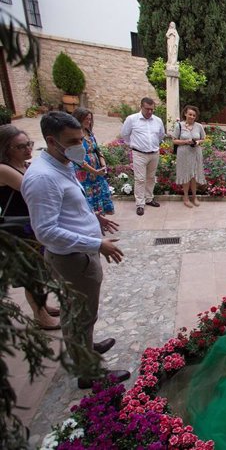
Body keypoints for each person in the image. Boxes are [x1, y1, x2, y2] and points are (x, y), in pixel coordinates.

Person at [21, 111, 129, 389]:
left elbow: (70, 206)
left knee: (80, 312)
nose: (79, 145)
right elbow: (45, 231)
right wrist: (97, 244)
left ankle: (85, 347)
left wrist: (95, 217)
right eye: (72, 140)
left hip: (79, 254)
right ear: (51, 140)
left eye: (80, 138)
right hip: (72, 258)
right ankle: (88, 372)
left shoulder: (61, 164)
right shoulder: (42, 178)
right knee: (79, 314)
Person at [0, 124, 60, 330]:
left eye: (29, 144)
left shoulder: (25, 165)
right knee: (30, 274)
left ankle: (42, 306)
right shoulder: (4, 169)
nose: (28, 149)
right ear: (7, 149)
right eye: (21, 146)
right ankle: (39, 315)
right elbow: (32, 189)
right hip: (18, 230)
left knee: (39, 270)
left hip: (31, 225)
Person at [121, 97, 166, 216]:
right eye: (147, 109)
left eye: (152, 109)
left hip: (154, 153)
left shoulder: (158, 121)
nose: (150, 112)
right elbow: (125, 134)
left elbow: (161, 135)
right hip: (139, 154)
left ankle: (149, 199)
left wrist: (155, 145)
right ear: (141, 107)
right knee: (140, 179)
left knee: (151, 178)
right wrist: (134, 145)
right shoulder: (132, 119)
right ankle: (140, 204)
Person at [72, 108, 114, 216]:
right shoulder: (75, 136)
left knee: (98, 194)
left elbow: (98, 150)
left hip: (96, 174)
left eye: (90, 119)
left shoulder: (89, 133)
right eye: (86, 119)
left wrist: (103, 165)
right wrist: (94, 171)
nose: (88, 122)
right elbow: (78, 160)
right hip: (84, 175)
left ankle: (100, 219)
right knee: (87, 197)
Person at [172, 105, 206, 208]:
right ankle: (186, 197)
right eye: (190, 114)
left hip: (195, 153)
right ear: (185, 114)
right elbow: (174, 140)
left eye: (194, 115)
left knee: (194, 176)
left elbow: (203, 138)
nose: (191, 116)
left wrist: (199, 141)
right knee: (185, 175)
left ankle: (194, 197)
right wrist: (186, 141)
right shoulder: (179, 126)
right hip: (183, 153)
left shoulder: (199, 126)